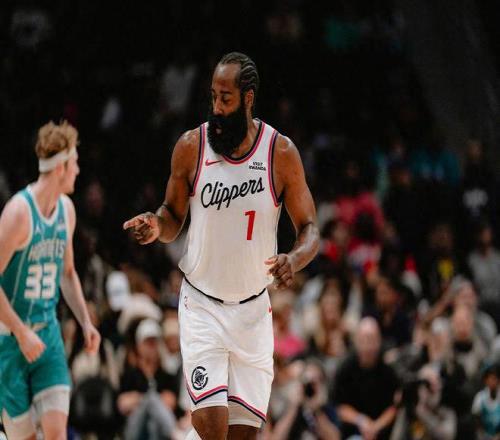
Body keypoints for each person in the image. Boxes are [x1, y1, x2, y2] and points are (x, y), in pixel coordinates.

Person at [123, 52, 319, 440]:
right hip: (203, 306)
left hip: (253, 312)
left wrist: (294, 259)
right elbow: (172, 215)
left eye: (225, 98)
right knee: (213, 428)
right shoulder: (191, 147)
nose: (216, 107)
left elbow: (310, 228)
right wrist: (156, 225)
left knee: (242, 435)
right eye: (213, 96)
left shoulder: (279, 153)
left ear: (248, 98)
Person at [0, 120, 101, 439]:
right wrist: (21, 332)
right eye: (75, 163)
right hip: (10, 339)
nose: (78, 170)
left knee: (57, 433)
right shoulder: (18, 213)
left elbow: (67, 273)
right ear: (60, 167)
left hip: (48, 336)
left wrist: (85, 321)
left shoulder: (66, 211)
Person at [333, 317, 399, 440]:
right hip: (353, 432)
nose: (368, 345)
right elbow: (340, 407)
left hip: (382, 432)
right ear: (357, 341)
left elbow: (393, 407)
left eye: (372, 339)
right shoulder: (346, 368)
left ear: (379, 341)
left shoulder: (388, 371)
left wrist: (376, 427)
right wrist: (361, 421)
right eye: (364, 339)